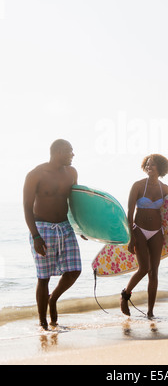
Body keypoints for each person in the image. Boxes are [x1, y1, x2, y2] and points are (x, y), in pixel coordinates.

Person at [23, 139, 83, 330]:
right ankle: (43, 323)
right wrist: (35, 236)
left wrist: (82, 227)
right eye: (69, 151)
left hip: (65, 227)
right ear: (58, 152)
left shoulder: (72, 173)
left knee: (75, 270)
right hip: (43, 228)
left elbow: (74, 202)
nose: (72, 155)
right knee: (44, 277)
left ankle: (53, 299)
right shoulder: (35, 175)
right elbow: (26, 206)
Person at [120, 154, 168, 319]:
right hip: (139, 230)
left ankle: (150, 312)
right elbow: (129, 211)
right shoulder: (138, 186)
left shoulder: (165, 189)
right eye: (147, 164)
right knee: (143, 269)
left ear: (160, 168)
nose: (149, 167)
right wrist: (131, 237)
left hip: (157, 232)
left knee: (154, 272)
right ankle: (125, 295)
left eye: (153, 165)